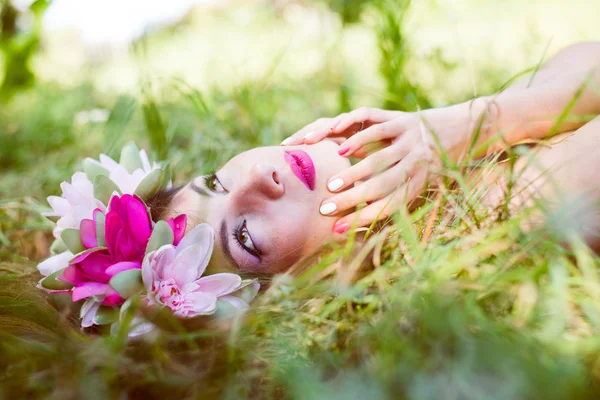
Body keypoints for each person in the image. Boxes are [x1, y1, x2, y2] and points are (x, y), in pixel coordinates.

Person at [151, 42, 600, 275]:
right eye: (245, 238)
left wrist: (455, 132)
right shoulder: (502, 212)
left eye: (215, 182)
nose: (257, 175)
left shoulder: (447, 185)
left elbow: (580, 59)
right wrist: (471, 125)